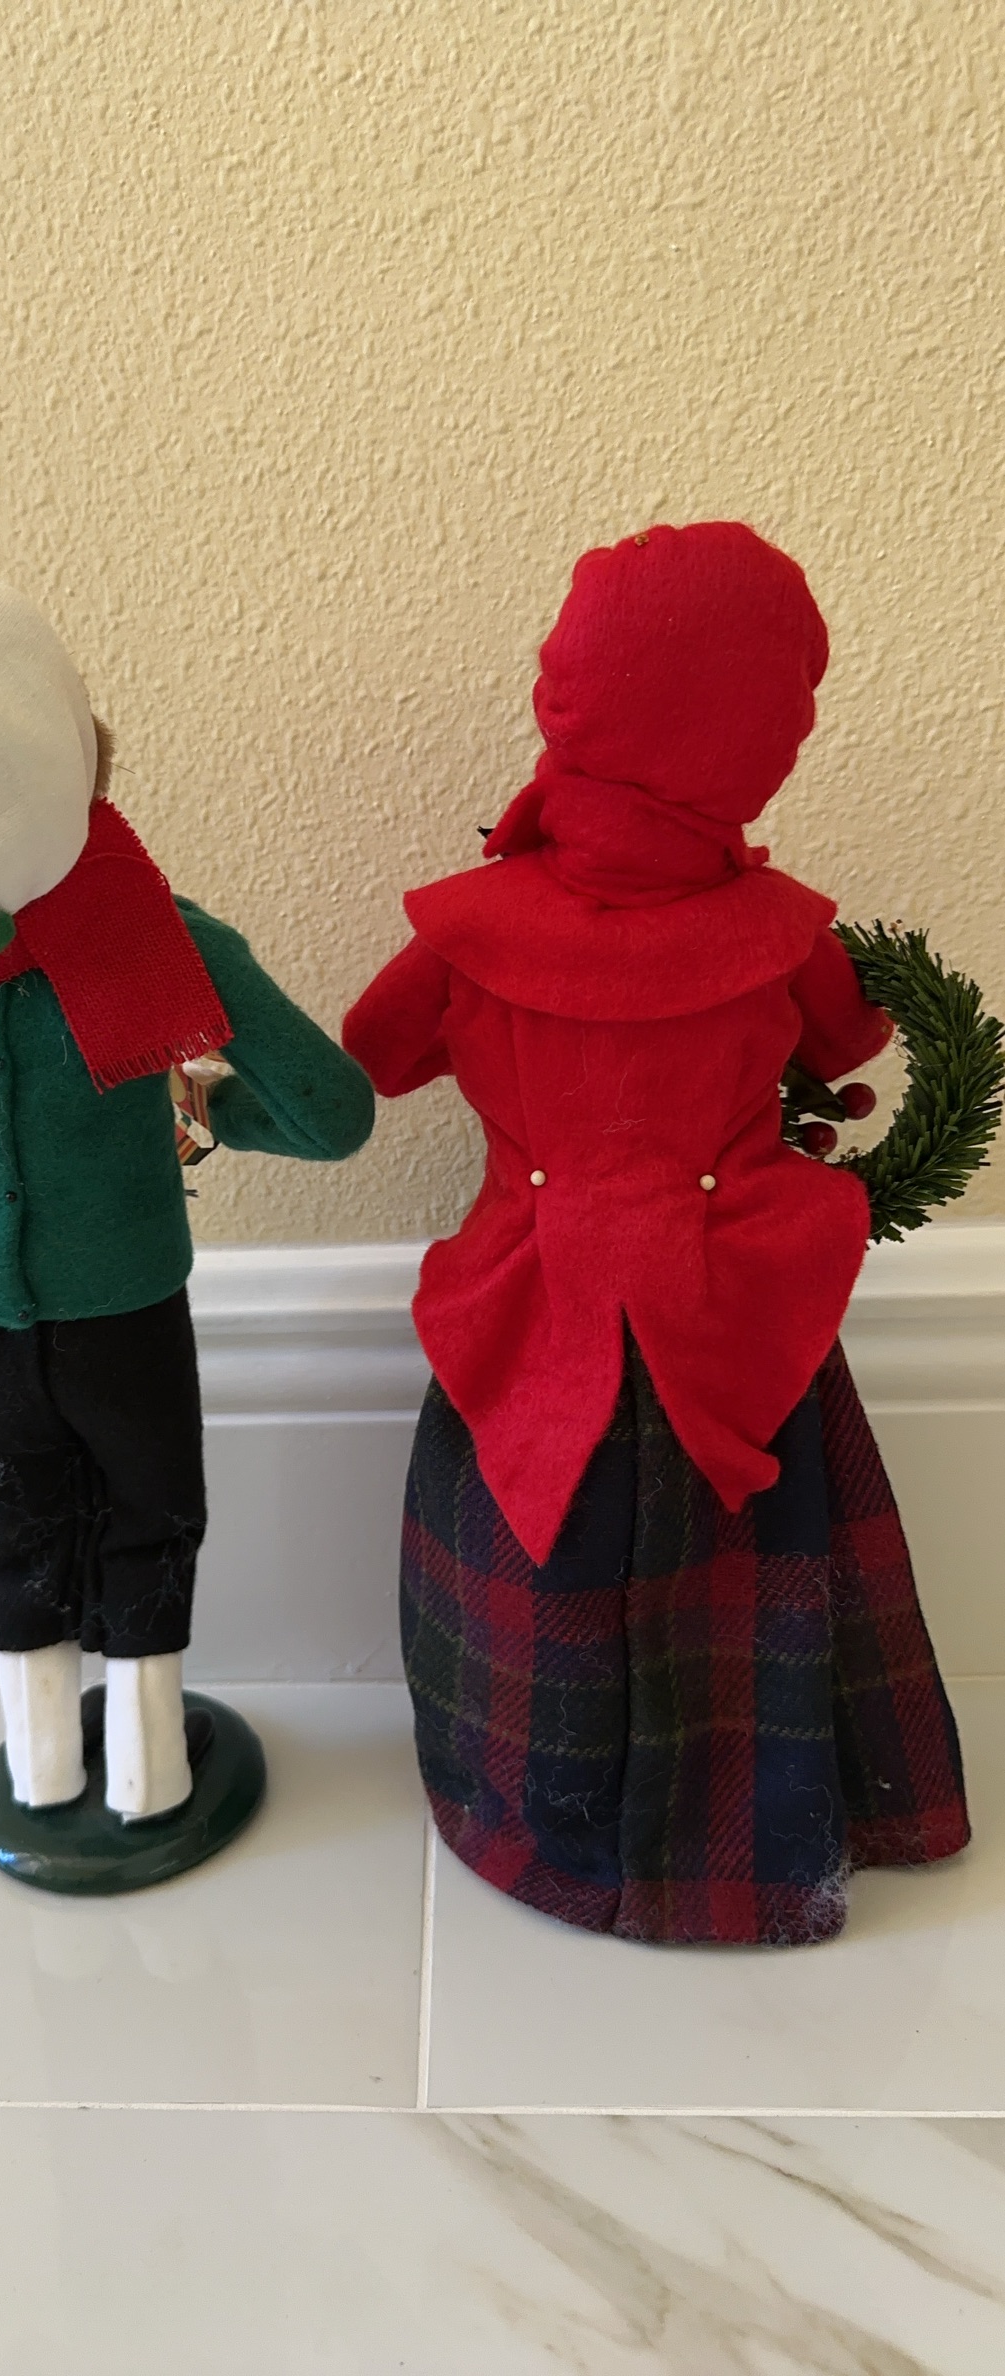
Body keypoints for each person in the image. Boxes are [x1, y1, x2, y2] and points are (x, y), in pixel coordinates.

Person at [343, 521, 968, 1946]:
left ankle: (529, 1818)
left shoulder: (467, 929)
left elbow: (375, 1055)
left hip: (533, 1309)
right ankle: (773, 1823)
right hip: (727, 1314)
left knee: (527, 1562)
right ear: (765, 739)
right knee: (762, 1563)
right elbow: (849, 1041)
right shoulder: (780, 932)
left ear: (563, 692)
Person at [0, 576, 373, 1828]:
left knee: (13, 1526)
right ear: (76, 749)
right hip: (124, 1291)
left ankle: (40, 1761)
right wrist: (202, 1110)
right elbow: (335, 1114)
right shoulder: (161, 933)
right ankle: (150, 1767)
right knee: (150, 1515)